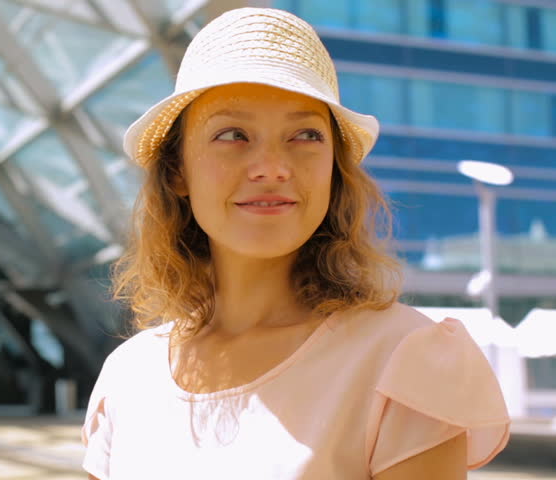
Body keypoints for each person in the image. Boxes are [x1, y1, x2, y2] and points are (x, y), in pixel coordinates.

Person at [81, 8, 510, 480]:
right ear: (178, 170)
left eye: (305, 135)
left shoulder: (402, 360)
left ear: (334, 168)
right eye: (232, 134)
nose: (272, 167)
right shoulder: (128, 377)